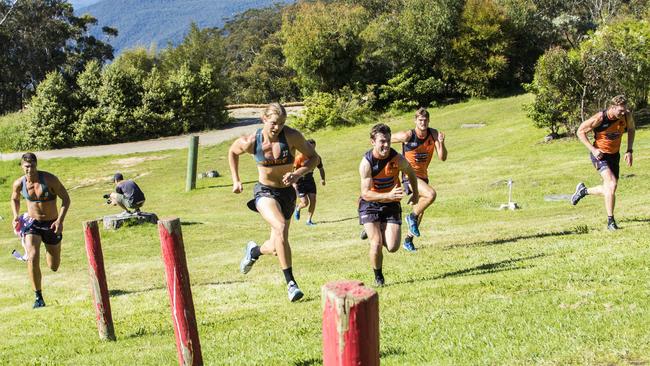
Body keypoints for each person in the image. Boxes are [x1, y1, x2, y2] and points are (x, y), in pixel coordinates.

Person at [229, 102, 319, 302]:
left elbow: (314, 158)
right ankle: (291, 284)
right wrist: (236, 180)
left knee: (277, 245)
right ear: (264, 119)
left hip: (287, 193)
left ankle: (254, 251)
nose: (277, 127)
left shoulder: (292, 136)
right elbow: (233, 152)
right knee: (279, 227)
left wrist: (297, 174)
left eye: (281, 123)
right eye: (273, 123)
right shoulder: (252, 141)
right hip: (265, 192)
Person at [359, 123, 419, 286]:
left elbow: (411, 173)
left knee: (392, 247)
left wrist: (416, 193)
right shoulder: (367, 163)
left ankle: (371, 229)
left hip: (391, 204)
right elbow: (365, 193)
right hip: (370, 204)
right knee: (376, 242)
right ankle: (378, 277)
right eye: (382, 141)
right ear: (373, 142)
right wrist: (388, 194)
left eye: (388, 140)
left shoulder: (397, 158)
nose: (386, 145)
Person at [11, 153, 71, 308]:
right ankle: (38, 297)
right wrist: (16, 215)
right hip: (33, 224)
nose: (29, 169)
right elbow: (15, 198)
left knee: (53, 266)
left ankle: (50, 250)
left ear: (36, 165)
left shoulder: (50, 179)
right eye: (26, 166)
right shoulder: (19, 183)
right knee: (32, 256)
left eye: (32, 165)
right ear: (22, 166)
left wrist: (60, 220)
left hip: (52, 224)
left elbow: (66, 199)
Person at [571, 95, 635, 230]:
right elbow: (580, 131)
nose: (623, 113)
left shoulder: (626, 116)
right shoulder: (600, 118)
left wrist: (629, 150)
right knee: (611, 184)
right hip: (600, 155)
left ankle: (584, 191)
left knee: (610, 189)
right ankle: (611, 222)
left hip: (614, 155)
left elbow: (631, 129)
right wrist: (593, 150)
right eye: (620, 111)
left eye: (624, 110)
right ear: (612, 107)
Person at [391, 107, 447, 251]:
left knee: (421, 210)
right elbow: (386, 139)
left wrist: (441, 142)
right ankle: (411, 217)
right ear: (415, 121)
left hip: (423, 176)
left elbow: (442, 157)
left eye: (425, 120)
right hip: (409, 176)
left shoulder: (433, 134)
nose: (423, 123)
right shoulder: (408, 135)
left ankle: (408, 241)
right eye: (420, 120)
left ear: (429, 121)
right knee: (431, 195)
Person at [293, 139, 326, 226]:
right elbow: (293, 171)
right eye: (310, 147)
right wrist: (294, 183)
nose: (312, 149)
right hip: (300, 182)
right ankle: (298, 208)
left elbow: (321, 168)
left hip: (310, 181)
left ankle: (309, 221)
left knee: (313, 201)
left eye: (314, 147)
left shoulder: (317, 158)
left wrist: (323, 179)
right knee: (305, 203)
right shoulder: (299, 158)